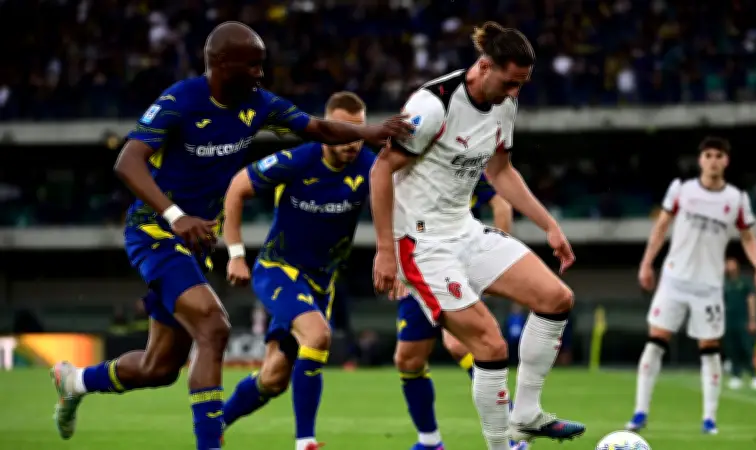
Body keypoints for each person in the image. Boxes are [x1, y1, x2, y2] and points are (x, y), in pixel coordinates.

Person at [48, 23, 410, 450]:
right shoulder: (181, 100)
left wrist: (370, 133)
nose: (260, 73)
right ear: (220, 64)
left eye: (262, 64)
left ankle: (76, 381)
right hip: (155, 231)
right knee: (214, 327)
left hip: (195, 243)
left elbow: (317, 128)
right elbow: (127, 162)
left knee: (159, 368)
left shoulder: (259, 103)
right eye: (252, 65)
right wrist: (176, 215)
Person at [370, 21, 586, 450]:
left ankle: (526, 415)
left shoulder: (505, 103)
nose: (514, 92)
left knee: (557, 298)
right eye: (510, 82)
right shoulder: (433, 105)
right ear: (485, 67)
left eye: (521, 84)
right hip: (421, 243)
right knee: (489, 345)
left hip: (465, 230)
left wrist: (549, 225)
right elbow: (381, 170)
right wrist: (384, 250)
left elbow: (500, 172)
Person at [220, 92, 404, 450]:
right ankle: (305, 442)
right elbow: (237, 187)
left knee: (273, 378)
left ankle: (216, 423)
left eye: (358, 132)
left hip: (321, 283)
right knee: (318, 335)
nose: (352, 141)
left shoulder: (370, 167)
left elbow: (400, 205)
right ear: (324, 129)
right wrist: (236, 255)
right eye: (343, 131)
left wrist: (393, 255)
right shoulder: (298, 160)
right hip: (278, 270)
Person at [627, 136, 756, 435]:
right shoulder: (682, 189)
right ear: (700, 159)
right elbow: (661, 227)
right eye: (708, 155)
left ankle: (709, 419)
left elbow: (748, 237)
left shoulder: (737, 199)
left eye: (719, 155)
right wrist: (646, 263)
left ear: (726, 161)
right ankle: (640, 413)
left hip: (709, 286)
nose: (713, 160)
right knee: (655, 342)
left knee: (710, 349)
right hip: (674, 280)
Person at [394, 174, 515, 450]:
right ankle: (429, 442)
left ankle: (511, 431)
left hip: (455, 265)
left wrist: (494, 261)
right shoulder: (402, 171)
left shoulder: (461, 165)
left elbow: (502, 207)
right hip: (417, 270)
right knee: (408, 359)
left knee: (459, 344)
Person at [722, 256, 756, 390]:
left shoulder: (745, 282)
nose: (730, 267)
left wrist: (752, 320)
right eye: (727, 265)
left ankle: (755, 376)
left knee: (747, 348)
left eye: (732, 264)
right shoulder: (724, 283)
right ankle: (736, 376)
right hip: (729, 321)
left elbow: (751, 300)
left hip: (743, 320)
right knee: (732, 349)